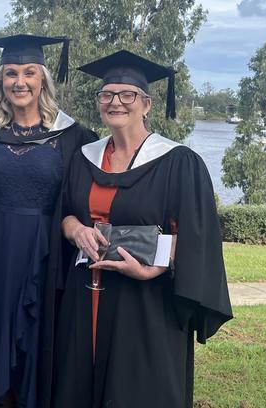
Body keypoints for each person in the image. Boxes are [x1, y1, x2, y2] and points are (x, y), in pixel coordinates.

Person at [52, 50, 233, 408]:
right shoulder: (83, 157)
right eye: (107, 95)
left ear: (146, 104)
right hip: (83, 298)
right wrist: (76, 231)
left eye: (127, 95)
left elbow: (199, 238)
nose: (115, 102)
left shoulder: (177, 162)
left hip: (144, 303)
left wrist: (156, 266)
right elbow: (65, 214)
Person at [0, 35, 98, 408]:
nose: (19, 81)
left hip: (44, 257)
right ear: (1, 81)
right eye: (11, 73)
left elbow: (87, 200)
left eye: (29, 72)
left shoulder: (73, 138)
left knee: (36, 352)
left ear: (43, 80)